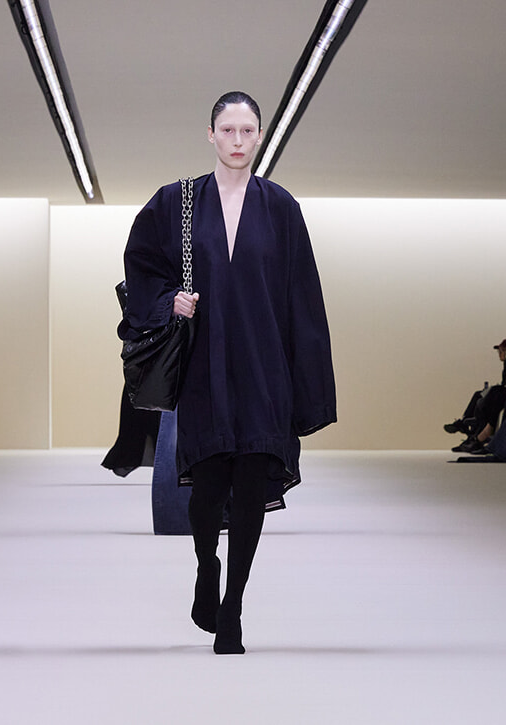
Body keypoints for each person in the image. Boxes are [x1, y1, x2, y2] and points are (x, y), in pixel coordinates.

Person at [116, 91, 337, 654]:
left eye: (248, 131)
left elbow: (303, 297)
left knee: (251, 484)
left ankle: (233, 608)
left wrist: (307, 384)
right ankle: (207, 566)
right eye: (228, 130)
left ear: (260, 136)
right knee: (208, 484)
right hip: (205, 365)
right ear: (210, 135)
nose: (238, 141)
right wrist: (168, 301)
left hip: (265, 366)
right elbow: (140, 263)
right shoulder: (177, 202)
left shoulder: (280, 207)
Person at [444, 339, 506, 449]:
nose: (500, 354)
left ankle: (474, 427)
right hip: (505, 392)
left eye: (503, 351)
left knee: (492, 394)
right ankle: (466, 421)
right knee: (479, 394)